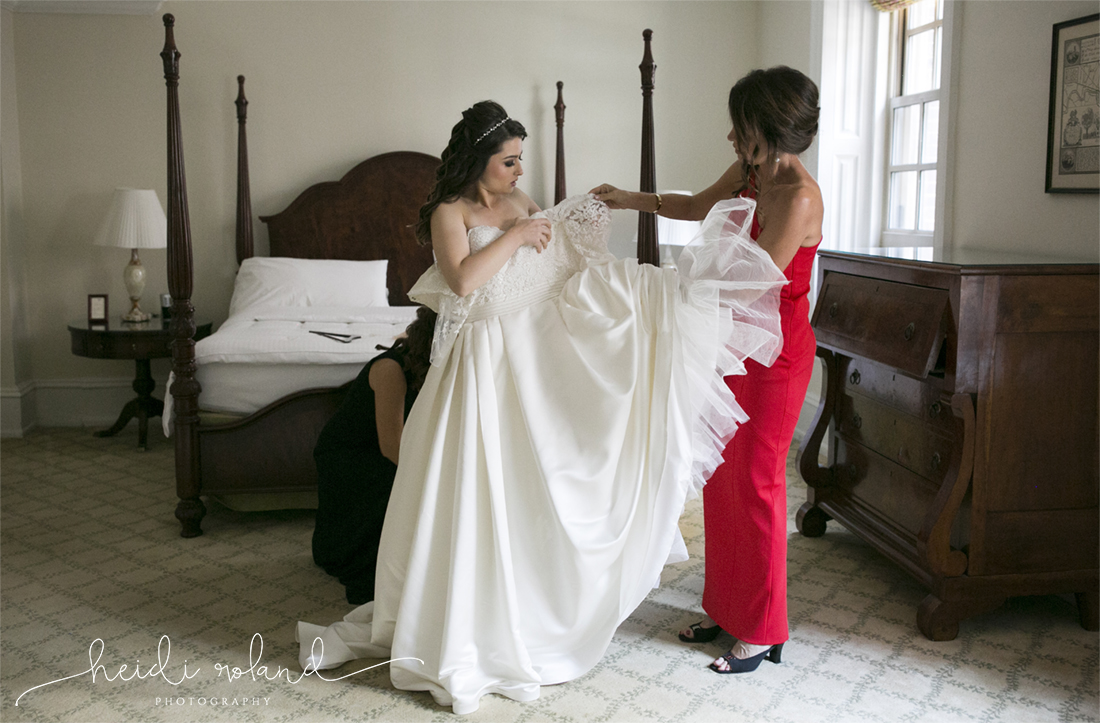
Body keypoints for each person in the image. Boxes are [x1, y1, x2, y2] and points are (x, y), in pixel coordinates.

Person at [297, 100, 788, 713]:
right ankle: (456, 615)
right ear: (478, 163)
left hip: (528, 355)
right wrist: (517, 236)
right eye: (507, 162)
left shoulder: (524, 203)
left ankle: (524, 612)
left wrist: (603, 274)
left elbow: (561, 266)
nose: (516, 173)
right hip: (478, 363)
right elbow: (463, 281)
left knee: (532, 486)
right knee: (473, 487)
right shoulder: (451, 212)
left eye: (520, 161)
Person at [591, 65, 823, 674]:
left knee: (759, 485)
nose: (730, 136)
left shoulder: (800, 197)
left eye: (740, 126)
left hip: (776, 358)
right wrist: (625, 198)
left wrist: (661, 294)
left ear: (769, 128)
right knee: (721, 481)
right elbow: (696, 205)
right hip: (730, 347)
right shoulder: (751, 172)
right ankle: (727, 609)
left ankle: (765, 629)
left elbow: (752, 286)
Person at [310, 306, 437, 605]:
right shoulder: (391, 369)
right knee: (405, 483)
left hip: (386, 450)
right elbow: (391, 446)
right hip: (354, 458)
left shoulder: (436, 371)